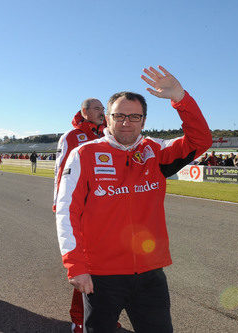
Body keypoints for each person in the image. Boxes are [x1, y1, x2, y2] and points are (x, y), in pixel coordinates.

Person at [56, 66, 212, 332]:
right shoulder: (83, 154)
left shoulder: (157, 151)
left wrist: (181, 99)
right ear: (107, 118)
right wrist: (76, 266)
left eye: (134, 116)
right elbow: (66, 212)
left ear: (144, 120)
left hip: (151, 273)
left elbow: (201, 139)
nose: (126, 122)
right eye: (119, 116)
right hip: (102, 275)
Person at [52, 97, 106, 332]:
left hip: (107, 211)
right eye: (97, 108)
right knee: (87, 266)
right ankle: (79, 319)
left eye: (104, 109)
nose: (102, 112)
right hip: (82, 211)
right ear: (84, 112)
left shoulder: (108, 135)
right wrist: (59, 204)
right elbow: (61, 171)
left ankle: (105, 314)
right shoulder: (71, 136)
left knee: (108, 268)